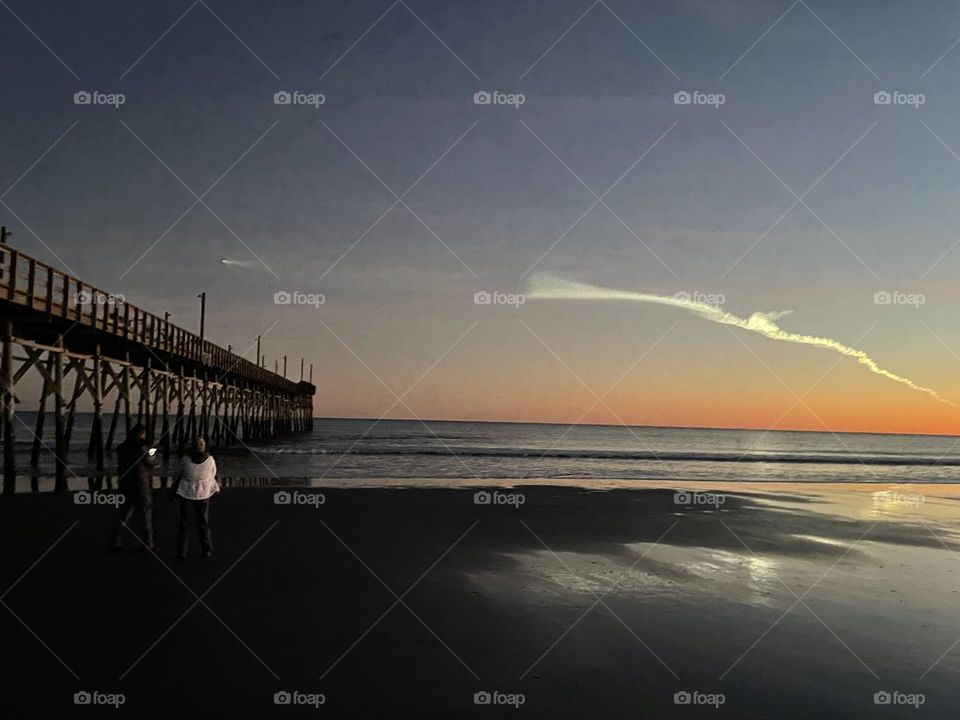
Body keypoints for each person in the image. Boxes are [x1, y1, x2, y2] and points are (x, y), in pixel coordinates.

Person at [109, 424, 156, 550]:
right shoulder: (142, 447)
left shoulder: (122, 447)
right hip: (140, 482)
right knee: (146, 512)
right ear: (141, 434)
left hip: (125, 482)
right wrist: (152, 451)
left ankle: (115, 540)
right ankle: (148, 543)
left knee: (125, 512)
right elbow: (151, 462)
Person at [173, 437, 219, 559]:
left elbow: (177, 473)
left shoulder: (185, 459)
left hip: (186, 493)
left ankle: (182, 552)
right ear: (203, 447)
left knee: (184, 522)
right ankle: (207, 549)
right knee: (203, 522)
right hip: (203, 494)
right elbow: (213, 473)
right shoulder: (210, 460)